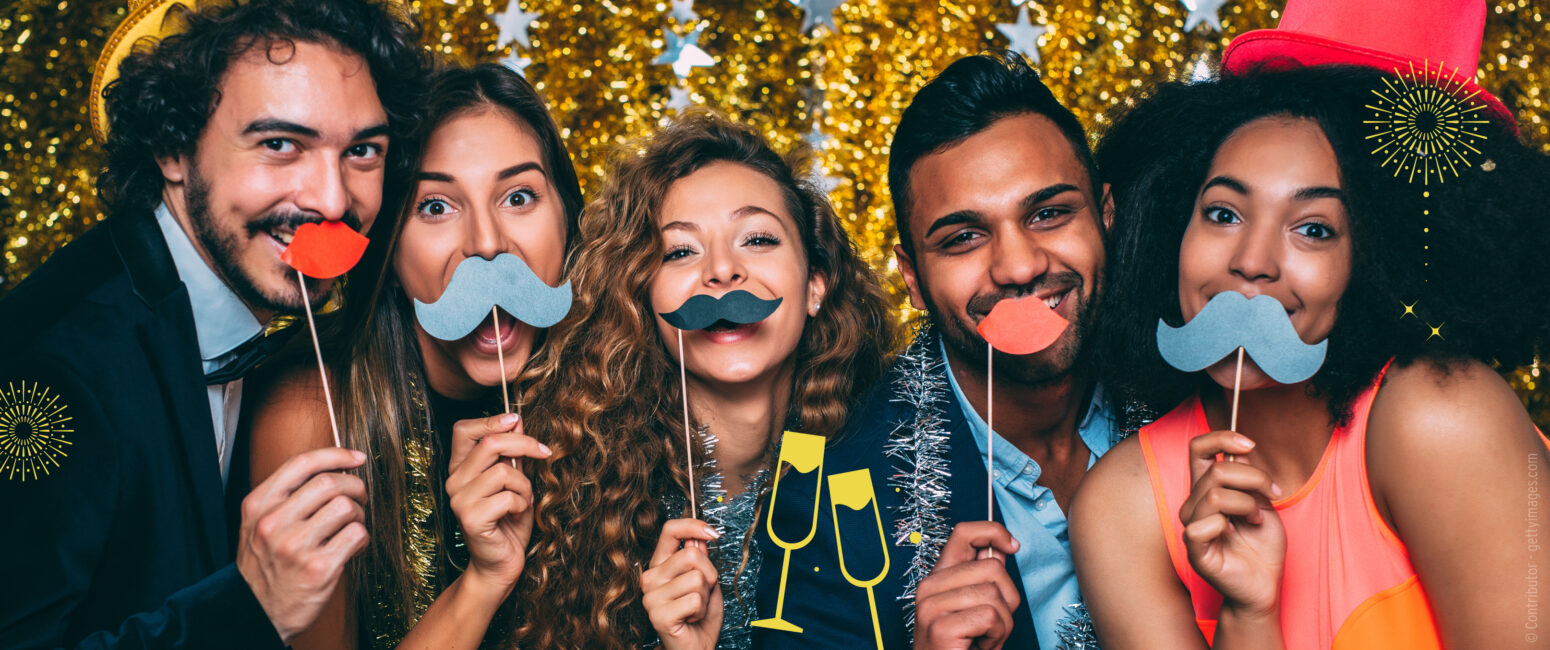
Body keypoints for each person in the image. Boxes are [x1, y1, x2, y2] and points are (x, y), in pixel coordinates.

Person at [1071, 2, 1550, 646]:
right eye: (1223, 213)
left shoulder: (1442, 421)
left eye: (1315, 229)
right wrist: (1250, 615)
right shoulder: (1121, 508)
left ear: (1378, 264)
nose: (1251, 263)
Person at [0, 0, 430, 647]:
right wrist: (248, 608)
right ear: (173, 147)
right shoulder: (57, 374)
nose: (334, 200)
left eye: (362, 150)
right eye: (281, 144)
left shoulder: (249, 307)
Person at [755, 50, 1128, 650]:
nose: (1019, 266)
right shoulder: (827, 501)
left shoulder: (1201, 413)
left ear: (1107, 217)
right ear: (912, 278)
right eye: (964, 238)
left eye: (1050, 213)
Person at [511, 110, 894, 649]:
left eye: (757, 239)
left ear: (815, 286)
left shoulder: (889, 480)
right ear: (643, 302)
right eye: (681, 251)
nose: (720, 271)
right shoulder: (574, 499)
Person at [244, 62, 583, 649]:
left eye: (519, 196)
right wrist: (482, 581)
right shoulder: (311, 415)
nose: (485, 244)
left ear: (568, 221)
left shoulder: (606, 389)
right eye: (435, 207)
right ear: (388, 248)